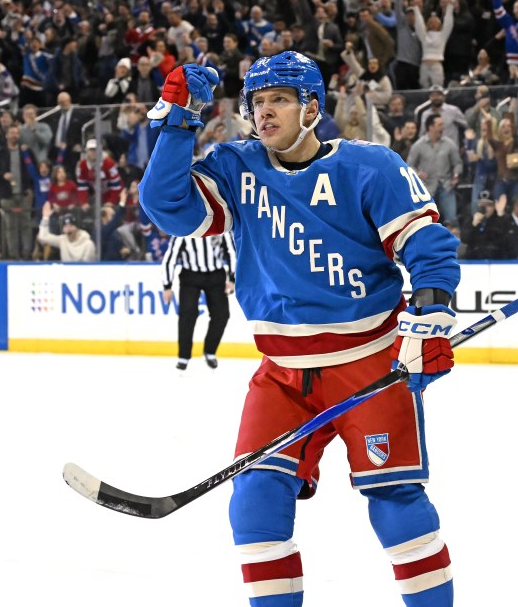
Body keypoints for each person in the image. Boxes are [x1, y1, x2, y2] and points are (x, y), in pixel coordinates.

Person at [139, 53, 460, 606]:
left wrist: (428, 321)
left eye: (280, 100)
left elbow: (427, 245)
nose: (265, 113)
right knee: (255, 502)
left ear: (312, 106)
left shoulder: (370, 167)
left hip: (370, 365)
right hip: (284, 376)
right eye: (257, 102)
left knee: (395, 500)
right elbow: (166, 206)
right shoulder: (236, 167)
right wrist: (177, 117)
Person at [160, 233, 236, 372]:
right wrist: (167, 286)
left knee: (222, 314)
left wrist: (232, 278)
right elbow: (170, 258)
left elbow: (231, 252)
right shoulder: (183, 230)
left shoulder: (221, 228)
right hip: (190, 276)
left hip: (215, 275)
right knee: (187, 314)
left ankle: (210, 351)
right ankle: (183, 356)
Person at [407, 113, 462, 225]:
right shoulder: (418, 146)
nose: (442, 127)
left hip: (446, 186)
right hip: (426, 188)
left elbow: (457, 163)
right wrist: (417, 173)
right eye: (439, 125)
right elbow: (409, 166)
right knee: (426, 222)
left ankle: (453, 241)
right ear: (430, 127)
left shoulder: (449, 144)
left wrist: (456, 174)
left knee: (452, 219)